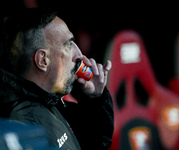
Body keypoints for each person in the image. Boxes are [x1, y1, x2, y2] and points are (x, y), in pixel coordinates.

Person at [0, 7, 113, 150]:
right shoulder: (23, 127)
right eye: (68, 45)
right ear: (43, 60)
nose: (79, 55)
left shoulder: (48, 100)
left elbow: (95, 143)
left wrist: (95, 99)